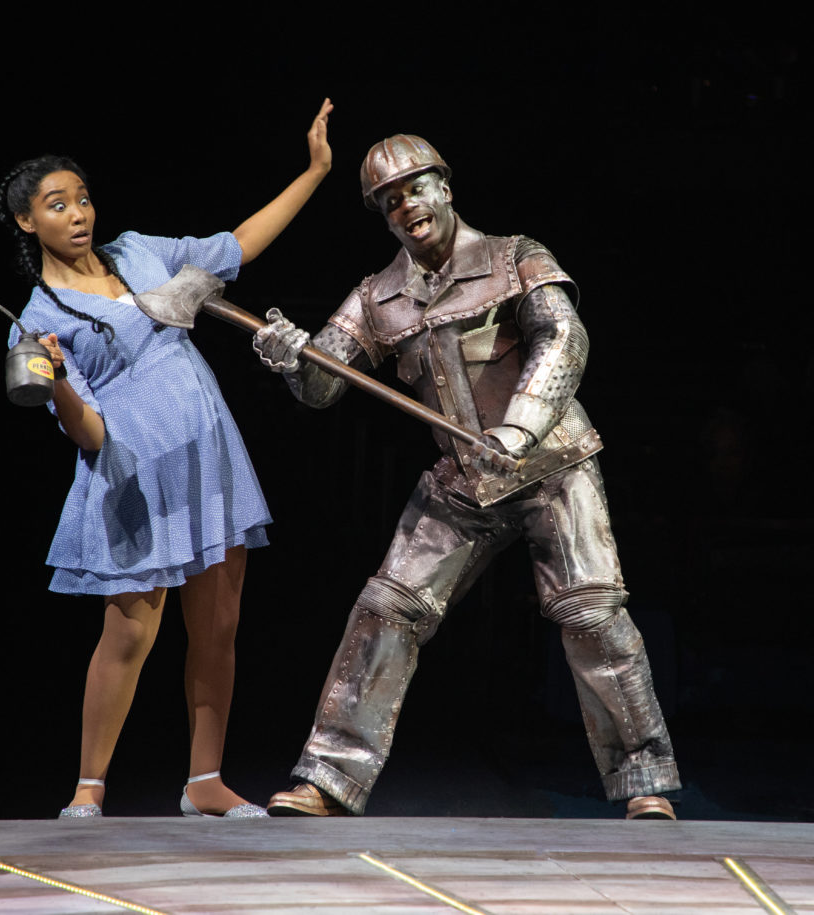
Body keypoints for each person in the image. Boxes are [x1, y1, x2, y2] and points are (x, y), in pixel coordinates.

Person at [252, 134, 681, 820]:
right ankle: (328, 778)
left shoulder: (516, 256)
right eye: (390, 202)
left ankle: (645, 780)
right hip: (464, 481)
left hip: (551, 462)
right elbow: (321, 388)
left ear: (445, 187)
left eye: (416, 189)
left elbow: (564, 338)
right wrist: (290, 357)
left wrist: (520, 427)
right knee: (385, 609)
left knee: (592, 614)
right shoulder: (376, 297)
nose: (407, 207)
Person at [0, 99, 333, 819]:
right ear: (28, 221)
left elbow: (238, 246)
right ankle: (89, 787)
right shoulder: (40, 320)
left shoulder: (137, 252)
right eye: (57, 205)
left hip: (208, 457)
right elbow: (89, 436)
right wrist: (55, 387)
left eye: (82, 198)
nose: (78, 213)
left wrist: (315, 171)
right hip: (134, 477)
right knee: (132, 630)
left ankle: (204, 780)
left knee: (218, 625)